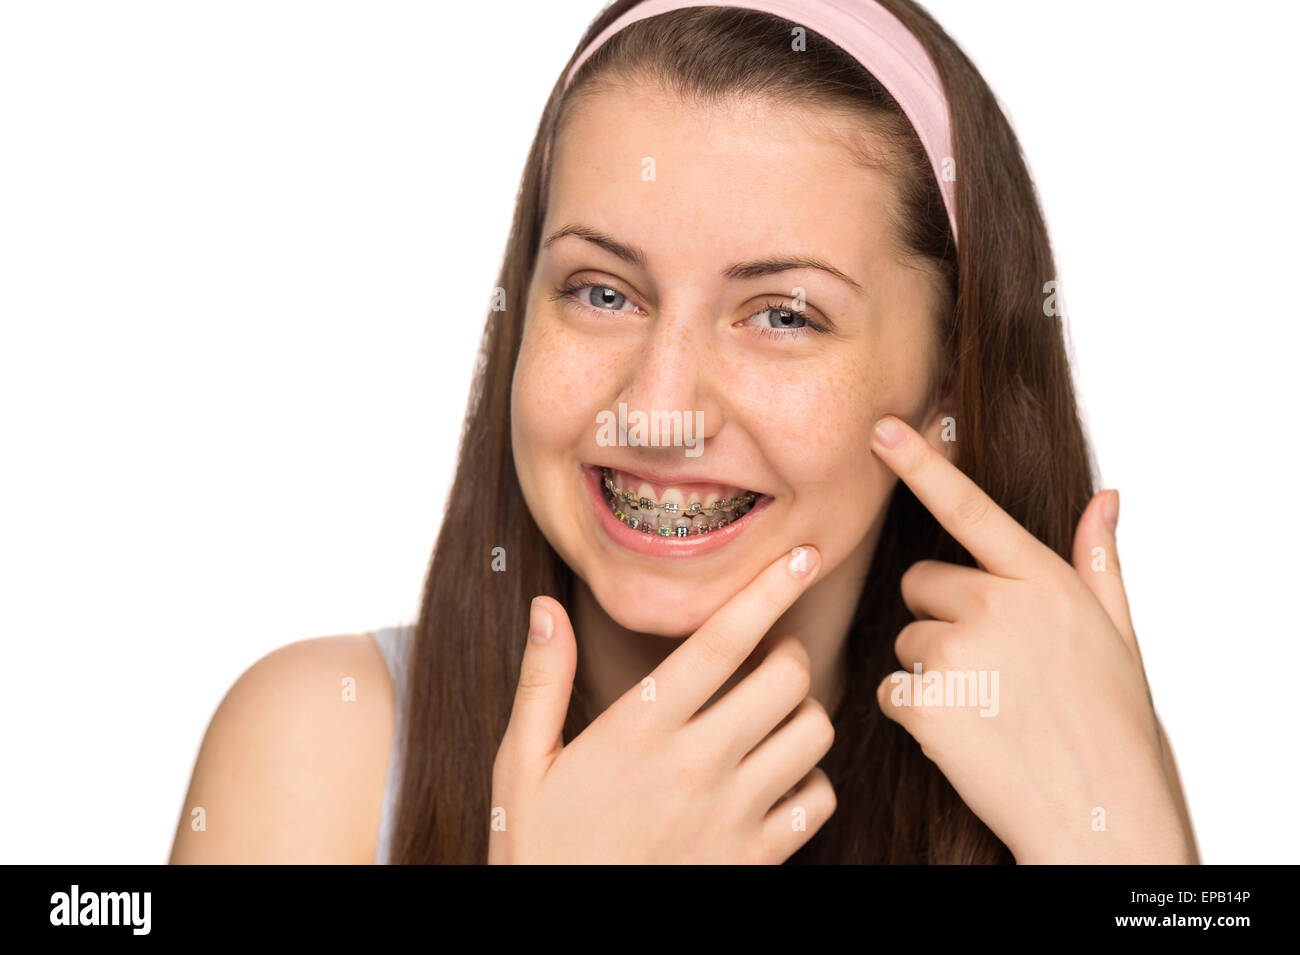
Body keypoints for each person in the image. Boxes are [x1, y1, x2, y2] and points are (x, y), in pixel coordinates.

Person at [170, 0, 1198, 864]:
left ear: (946, 383)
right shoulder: (324, 748)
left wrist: (1133, 849)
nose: (659, 405)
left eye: (783, 315)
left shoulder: (1063, 755)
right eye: (601, 292)